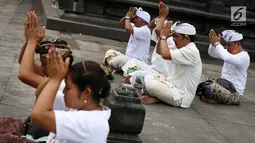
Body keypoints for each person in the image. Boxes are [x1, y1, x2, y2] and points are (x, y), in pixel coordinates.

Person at [31, 48, 111, 142]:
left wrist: (55, 80)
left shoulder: (89, 123)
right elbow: (39, 94)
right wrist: (53, 75)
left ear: (86, 93)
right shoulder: (80, 105)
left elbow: (38, 114)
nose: (63, 91)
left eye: (68, 87)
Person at [18, 11, 74, 141]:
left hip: (44, 132)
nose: (42, 68)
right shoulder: (58, 73)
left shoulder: (60, 84)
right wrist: (28, 42)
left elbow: (24, 73)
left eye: (45, 64)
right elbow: (25, 63)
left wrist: (32, 41)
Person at [140, 3, 202, 108]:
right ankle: (159, 97)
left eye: (176, 36)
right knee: (146, 78)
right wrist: (161, 37)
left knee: (149, 84)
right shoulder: (181, 47)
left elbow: (164, 54)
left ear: (186, 38)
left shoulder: (191, 51)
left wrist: (163, 36)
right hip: (171, 86)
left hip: (181, 97)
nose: (173, 38)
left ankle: (159, 97)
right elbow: (160, 51)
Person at [197, 29, 250, 105]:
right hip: (220, 84)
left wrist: (217, 44)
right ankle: (213, 98)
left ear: (238, 44)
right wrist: (212, 44)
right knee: (196, 77)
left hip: (233, 92)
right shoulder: (228, 53)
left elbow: (227, 58)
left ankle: (214, 97)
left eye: (229, 45)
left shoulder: (244, 56)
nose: (227, 47)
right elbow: (212, 53)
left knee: (209, 88)